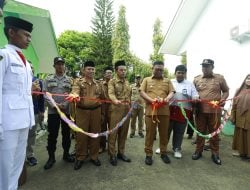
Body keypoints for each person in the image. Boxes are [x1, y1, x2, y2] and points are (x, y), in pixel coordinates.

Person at [0, 16, 35, 190]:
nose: (29, 39)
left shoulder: (25, 62)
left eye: (30, 36)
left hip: (23, 121)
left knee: (17, 165)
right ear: (11, 32)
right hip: (7, 123)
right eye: (26, 35)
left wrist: (31, 120)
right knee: (4, 167)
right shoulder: (3, 55)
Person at [192, 59, 229, 165]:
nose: (204, 68)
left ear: (212, 67)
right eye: (203, 66)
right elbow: (192, 92)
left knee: (214, 133)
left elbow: (226, 91)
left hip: (215, 111)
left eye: (207, 66)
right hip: (200, 111)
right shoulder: (196, 79)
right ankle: (198, 151)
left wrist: (223, 99)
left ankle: (215, 153)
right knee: (200, 132)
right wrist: (194, 99)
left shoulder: (220, 78)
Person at [69, 60, 103, 170]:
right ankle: (80, 157)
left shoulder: (98, 83)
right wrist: (74, 95)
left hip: (96, 111)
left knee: (95, 134)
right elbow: (75, 91)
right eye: (89, 69)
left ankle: (94, 156)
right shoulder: (78, 82)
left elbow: (103, 98)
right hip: (82, 112)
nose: (91, 71)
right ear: (84, 70)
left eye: (93, 69)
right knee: (81, 136)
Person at [140, 60, 175, 165]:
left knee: (164, 134)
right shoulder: (146, 80)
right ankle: (148, 154)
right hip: (151, 112)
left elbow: (172, 92)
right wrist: (151, 101)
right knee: (150, 134)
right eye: (157, 69)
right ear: (152, 69)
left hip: (164, 112)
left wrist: (167, 98)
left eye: (161, 69)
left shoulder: (167, 81)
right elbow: (141, 92)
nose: (159, 71)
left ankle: (163, 152)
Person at [43, 56, 74, 170]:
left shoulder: (70, 80)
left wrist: (64, 105)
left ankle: (66, 154)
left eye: (62, 64)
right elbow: (46, 94)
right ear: (54, 66)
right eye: (58, 64)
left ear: (64, 65)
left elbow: (72, 94)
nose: (60, 66)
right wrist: (55, 106)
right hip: (53, 113)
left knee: (66, 134)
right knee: (52, 135)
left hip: (66, 112)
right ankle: (51, 158)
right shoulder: (48, 79)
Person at [168, 65, 199, 158]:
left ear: (185, 74)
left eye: (183, 73)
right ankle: (163, 147)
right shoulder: (170, 82)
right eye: (179, 72)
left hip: (183, 112)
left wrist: (195, 98)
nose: (181, 74)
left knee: (179, 131)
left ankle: (176, 149)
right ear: (175, 73)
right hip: (169, 110)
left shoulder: (190, 84)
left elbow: (195, 95)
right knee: (166, 130)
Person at [108, 60, 131, 166]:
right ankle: (112, 154)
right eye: (121, 70)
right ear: (116, 70)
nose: (123, 72)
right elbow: (111, 93)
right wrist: (115, 100)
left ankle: (121, 153)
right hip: (116, 109)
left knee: (123, 133)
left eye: (125, 70)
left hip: (126, 110)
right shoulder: (112, 81)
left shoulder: (127, 81)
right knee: (113, 133)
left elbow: (129, 95)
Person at [26, 65, 45, 166]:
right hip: (21, 113)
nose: (31, 68)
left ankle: (30, 155)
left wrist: (42, 111)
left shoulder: (38, 81)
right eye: (29, 66)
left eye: (32, 67)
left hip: (34, 112)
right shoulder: (20, 81)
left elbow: (41, 98)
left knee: (31, 135)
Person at [231, 74, 250, 159]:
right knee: (240, 134)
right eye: (248, 78)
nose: (249, 80)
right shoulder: (238, 90)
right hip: (239, 115)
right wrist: (233, 115)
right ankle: (241, 153)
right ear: (245, 79)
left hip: (248, 116)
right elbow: (234, 103)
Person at [100, 66, 113, 153]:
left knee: (112, 128)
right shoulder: (100, 84)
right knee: (102, 128)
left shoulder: (115, 84)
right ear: (104, 74)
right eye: (107, 73)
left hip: (113, 109)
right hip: (103, 109)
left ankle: (111, 147)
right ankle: (102, 146)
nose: (109, 74)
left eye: (111, 73)